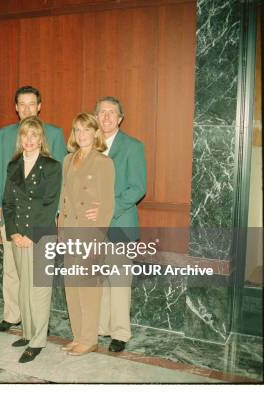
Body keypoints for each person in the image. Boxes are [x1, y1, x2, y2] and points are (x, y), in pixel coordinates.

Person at [0, 85, 67, 332]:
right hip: (11, 212)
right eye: (21, 104)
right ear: (15, 107)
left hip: (40, 217)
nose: (26, 109)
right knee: (12, 268)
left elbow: (59, 177)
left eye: (31, 104)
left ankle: (35, 324)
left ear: (39, 106)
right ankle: (13, 315)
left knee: (37, 275)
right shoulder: (5, 134)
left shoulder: (54, 133)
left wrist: (53, 214)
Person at [2, 116, 61, 363]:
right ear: (20, 138)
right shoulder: (13, 165)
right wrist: (14, 232)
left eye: (34, 135)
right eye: (25, 135)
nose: (29, 140)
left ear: (41, 139)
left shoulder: (51, 166)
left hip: (40, 235)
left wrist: (28, 234)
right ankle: (28, 333)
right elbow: (8, 202)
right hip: (18, 237)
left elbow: (49, 205)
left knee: (39, 290)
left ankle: (38, 341)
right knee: (25, 287)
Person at [58, 113, 115, 356]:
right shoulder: (68, 160)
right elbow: (64, 197)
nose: (82, 134)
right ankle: (78, 335)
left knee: (88, 288)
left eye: (86, 130)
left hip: (90, 234)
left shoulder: (103, 162)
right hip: (69, 231)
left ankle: (90, 339)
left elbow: (108, 204)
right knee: (72, 286)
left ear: (95, 133)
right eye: (77, 129)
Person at [94, 96, 147, 353]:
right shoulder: (89, 145)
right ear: (96, 117)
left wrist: (107, 208)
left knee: (118, 281)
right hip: (92, 226)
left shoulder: (133, 146)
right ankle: (101, 327)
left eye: (112, 112)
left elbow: (138, 187)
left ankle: (120, 333)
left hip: (120, 223)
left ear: (120, 118)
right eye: (102, 112)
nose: (106, 117)